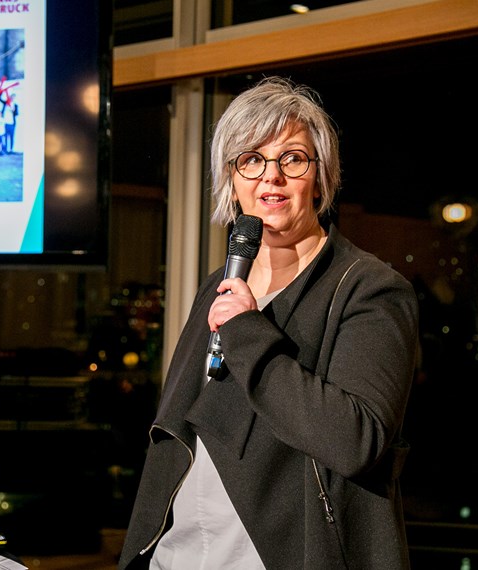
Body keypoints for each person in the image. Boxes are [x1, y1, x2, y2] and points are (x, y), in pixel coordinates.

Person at [119, 76, 419, 569]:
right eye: (251, 159)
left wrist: (247, 331)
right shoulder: (220, 283)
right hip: (180, 553)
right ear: (232, 179)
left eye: (293, 159)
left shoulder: (368, 289)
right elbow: (174, 435)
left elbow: (355, 440)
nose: (270, 177)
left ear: (321, 177)